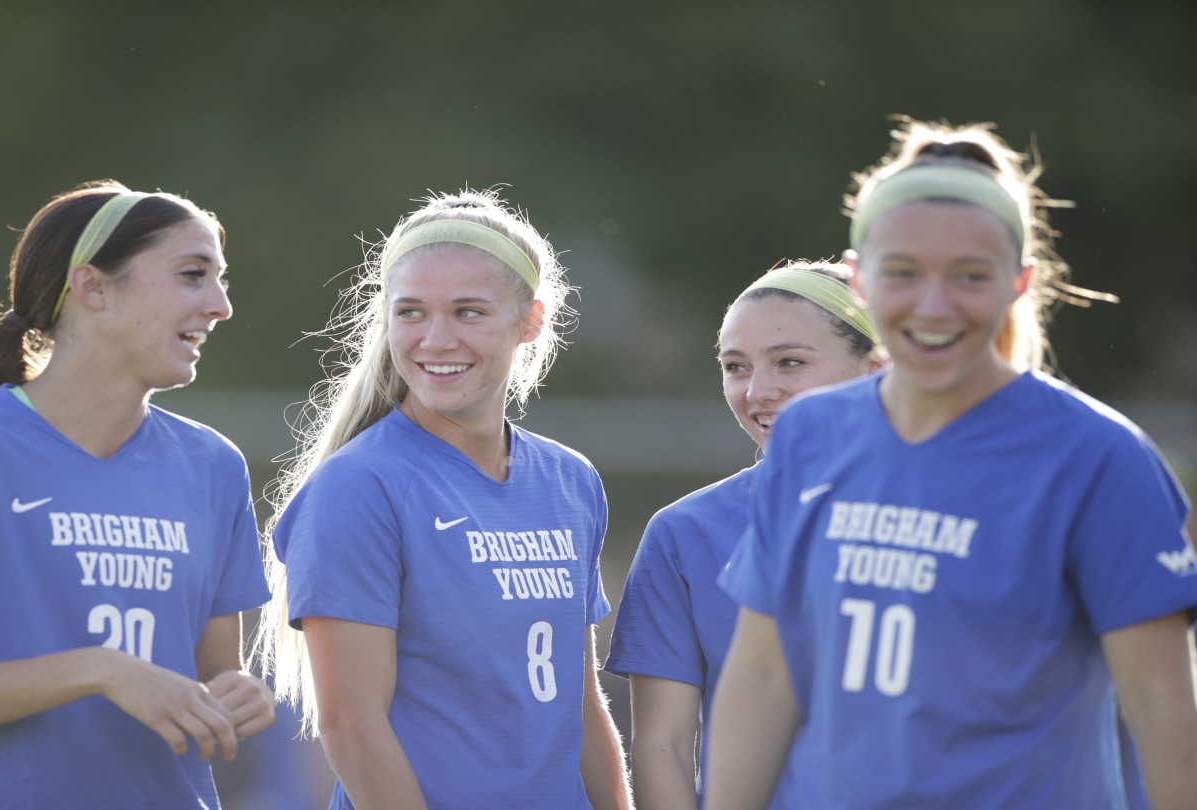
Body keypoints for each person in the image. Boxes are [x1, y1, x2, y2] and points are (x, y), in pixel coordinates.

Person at [705, 120, 1197, 809]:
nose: (934, 306)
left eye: (969, 276)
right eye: (903, 273)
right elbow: (763, 675)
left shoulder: (1095, 456)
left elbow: (1163, 705)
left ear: (1019, 283)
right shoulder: (814, 435)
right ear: (862, 281)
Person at [0, 182, 277, 809]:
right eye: (192, 275)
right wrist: (97, 670)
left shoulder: (213, 466)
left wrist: (239, 696)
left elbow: (215, 673)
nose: (221, 305)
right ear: (93, 287)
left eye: (221, 279)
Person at [253, 189, 632, 810]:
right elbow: (351, 724)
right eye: (410, 313)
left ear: (529, 323)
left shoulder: (569, 479)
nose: (435, 339)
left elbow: (580, 701)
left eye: (468, 312)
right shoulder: (360, 486)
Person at [606, 261, 883, 809]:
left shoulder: (958, 512)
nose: (758, 391)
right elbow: (662, 746)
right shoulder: (685, 534)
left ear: (876, 368)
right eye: (736, 367)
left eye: (790, 362)